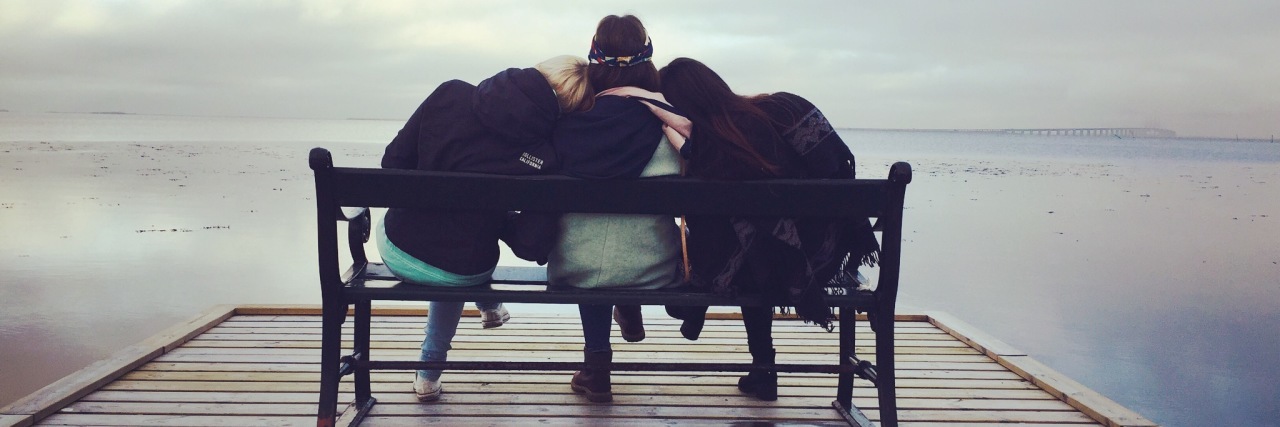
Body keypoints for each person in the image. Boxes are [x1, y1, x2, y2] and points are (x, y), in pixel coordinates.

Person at [612, 57, 880, 401]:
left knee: (747, 244)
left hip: (775, 267)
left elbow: (709, 239)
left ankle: (755, 359)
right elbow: (839, 164)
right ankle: (758, 365)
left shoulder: (707, 152)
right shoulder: (786, 107)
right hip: (824, 252)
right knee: (756, 238)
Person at [377, 55, 593, 402]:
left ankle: (434, 369)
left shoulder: (449, 94)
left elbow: (393, 164)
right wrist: (499, 217)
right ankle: (433, 365)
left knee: (446, 245)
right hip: (465, 270)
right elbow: (530, 246)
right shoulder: (543, 156)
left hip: (398, 248)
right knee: (457, 258)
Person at [547, 14, 684, 404]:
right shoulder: (668, 124)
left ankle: (596, 368)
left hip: (575, 265)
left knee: (593, 250)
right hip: (651, 267)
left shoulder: (567, 123)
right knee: (626, 238)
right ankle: (628, 303)